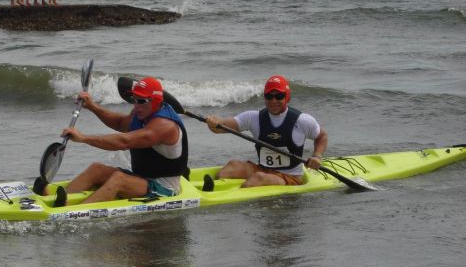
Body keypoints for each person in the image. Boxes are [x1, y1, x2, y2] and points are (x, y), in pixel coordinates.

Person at [35, 77, 189, 206]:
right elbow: (120, 124)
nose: (136, 105)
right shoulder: (141, 110)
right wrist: (93, 107)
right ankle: (55, 200)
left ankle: (73, 212)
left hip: (164, 188)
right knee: (96, 169)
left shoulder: (164, 126)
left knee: (118, 180)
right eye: (134, 99)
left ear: (155, 101)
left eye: (141, 101)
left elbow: (124, 141)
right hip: (142, 179)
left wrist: (84, 138)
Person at [204, 75, 327, 189]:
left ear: (287, 97)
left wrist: (317, 156)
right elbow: (222, 127)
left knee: (258, 178)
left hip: (291, 177)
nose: (273, 101)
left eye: (279, 96)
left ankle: (229, 198)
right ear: (264, 97)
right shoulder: (254, 117)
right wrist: (213, 122)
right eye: (269, 96)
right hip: (263, 169)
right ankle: (212, 188)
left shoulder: (301, 120)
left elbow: (321, 136)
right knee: (232, 166)